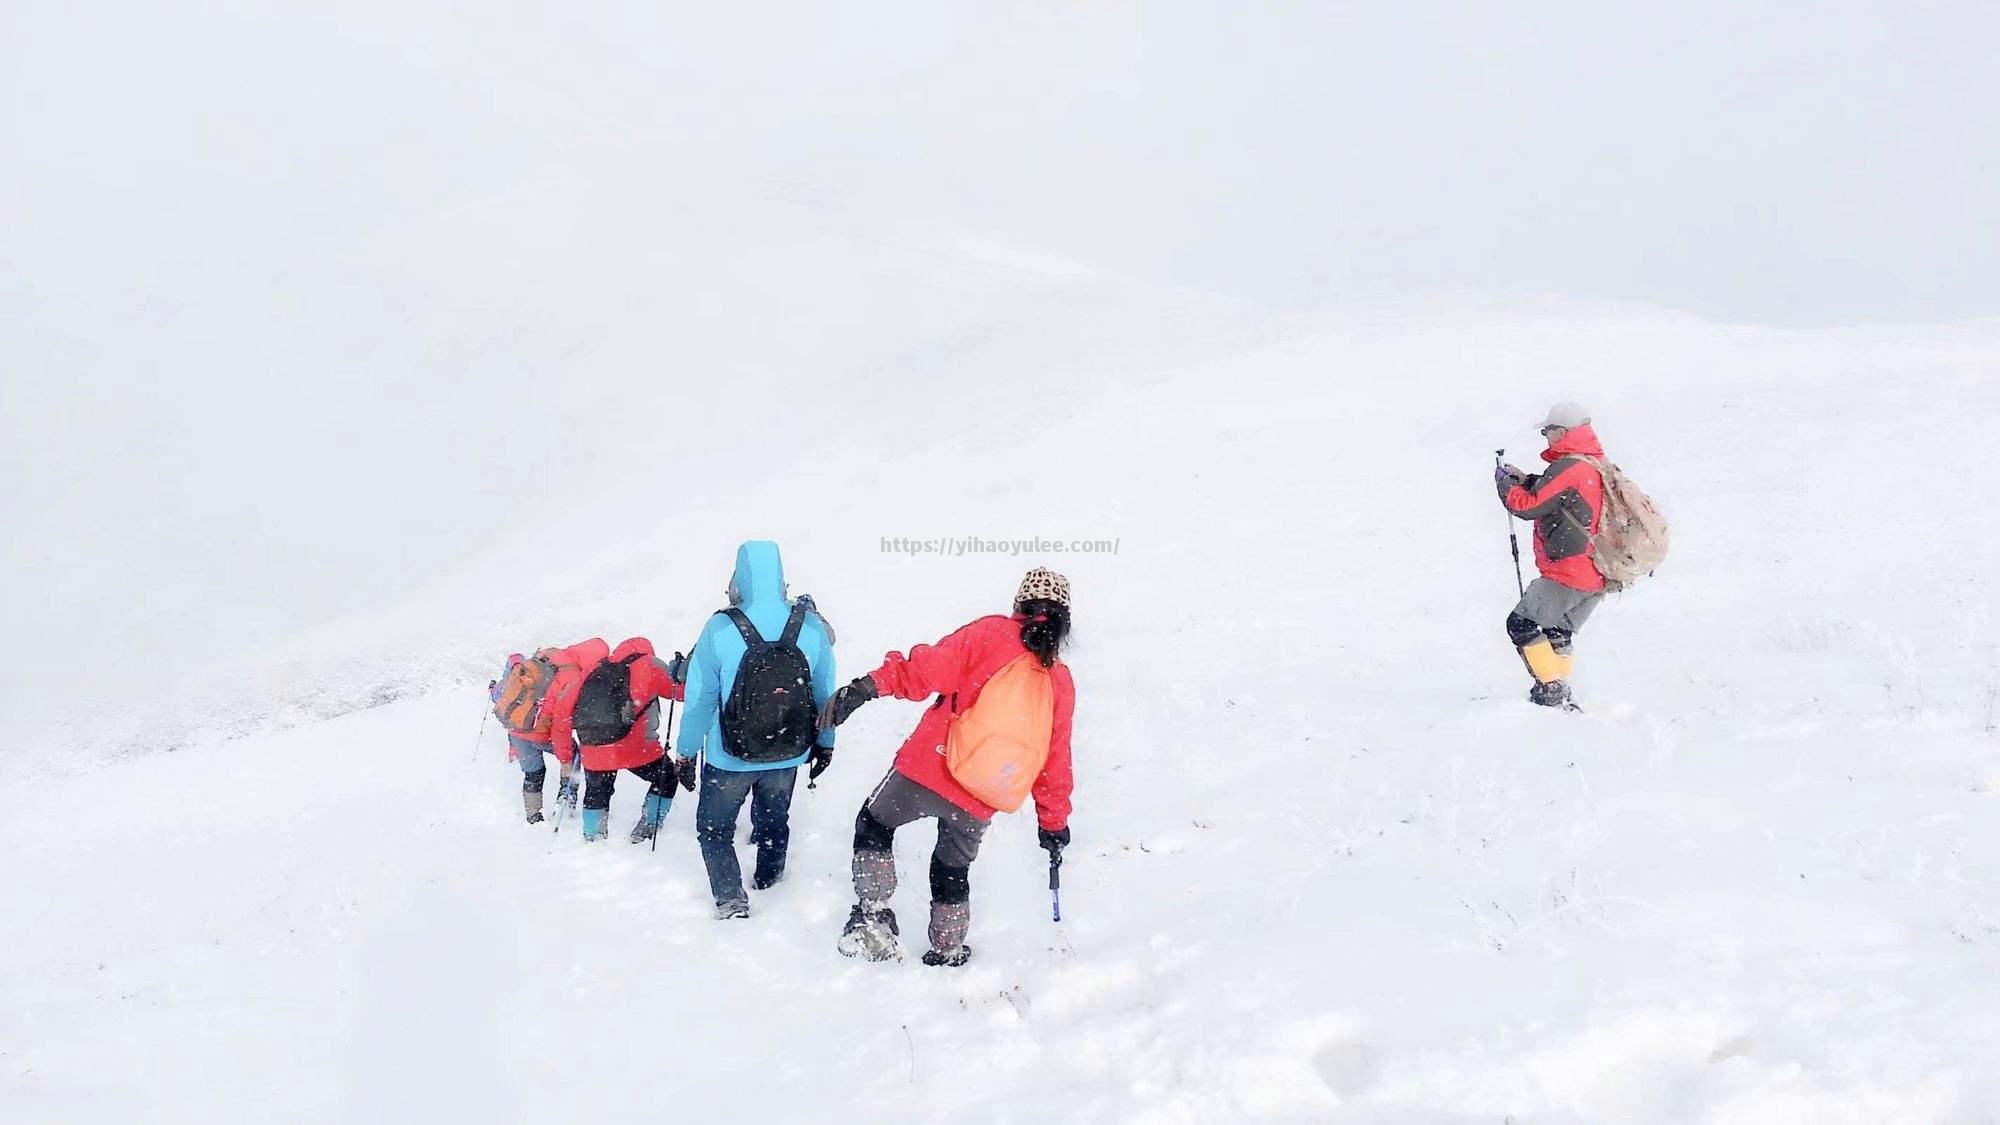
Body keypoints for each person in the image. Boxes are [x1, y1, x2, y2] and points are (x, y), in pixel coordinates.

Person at [819, 567, 1075, 967]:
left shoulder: (993, 634)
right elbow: (1055, 757)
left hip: (930, 767)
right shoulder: (1059, 679)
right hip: (985, 792)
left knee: (874, 824)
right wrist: (1054, 823)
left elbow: (927, 670)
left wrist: (867, 687)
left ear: (1019, 605)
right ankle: (947, 947)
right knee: (952, 867)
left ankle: (872, 917)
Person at [672, 541, 838, 919]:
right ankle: (771, 878)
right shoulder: (809, 626)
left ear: (738, 579)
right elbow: (825, 694)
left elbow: (700, 700)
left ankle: (731, 900)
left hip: (728, 756)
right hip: (788, 751)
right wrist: (825, 743)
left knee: (715, 830)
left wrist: (685, 751)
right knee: (774, 819)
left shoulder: (719, 627)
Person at [1495, 401, 1608, 709]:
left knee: (1521, 624)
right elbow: (1563, 497)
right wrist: (1529, 480)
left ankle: (1551, 687)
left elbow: (1528, 506)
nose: (1545, 437)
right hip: (1598, 572)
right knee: (1558, 630)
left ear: (1562, 431)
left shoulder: (1570, 467)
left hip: (1569, 570)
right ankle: (1558, 691)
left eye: (1547, 431)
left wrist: (1506, 489)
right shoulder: (1593, 464)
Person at [544, 637, 684, 842]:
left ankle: (593, 837)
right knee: (667, 777)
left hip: (594, 746)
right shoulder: (649, 664)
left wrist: (565, 755)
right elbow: (680, 692)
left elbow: (562, 709)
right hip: (635, 747)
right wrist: (683, 672)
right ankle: (648, 827)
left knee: (597, 790)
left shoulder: (593, 669)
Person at [493, 641, 604, 823]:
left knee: (533, 773)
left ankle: (533, 816)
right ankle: (566, 798)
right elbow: (561, 725)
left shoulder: (548, 654)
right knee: (574, 753)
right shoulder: (573, 676)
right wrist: (565, 760)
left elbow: (510, 691)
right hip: (540, 731)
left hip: (516, 728)